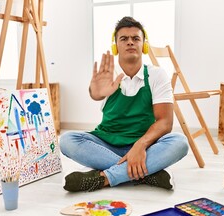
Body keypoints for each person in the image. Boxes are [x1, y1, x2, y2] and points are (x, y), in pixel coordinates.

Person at [59, 16, 189, 192]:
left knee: (179, 142)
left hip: (145, 146)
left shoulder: (157, 75)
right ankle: (146, 173)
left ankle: (105, 178)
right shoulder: (108, 75)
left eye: (135, 38)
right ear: (116, 46)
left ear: (143, 45)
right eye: (124, 39)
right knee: (67, 140)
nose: (130, 42)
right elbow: (95, 94)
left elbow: (165, 122)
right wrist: (95, 92)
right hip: (107, 145)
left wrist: (140, 145)